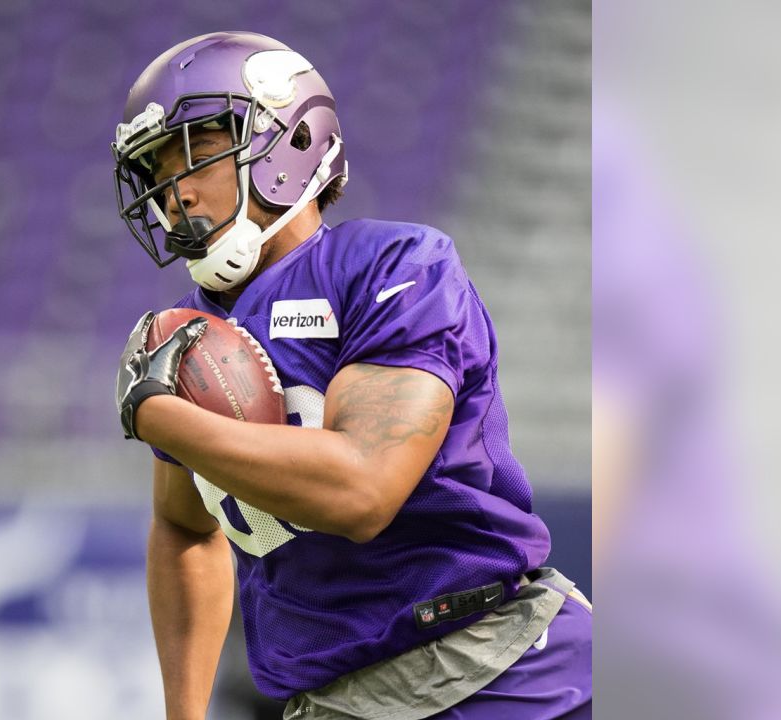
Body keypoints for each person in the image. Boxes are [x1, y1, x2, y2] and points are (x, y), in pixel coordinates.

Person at [112, 32, 591, 720]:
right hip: (336, 701)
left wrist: (159, 415)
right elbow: (184, 528)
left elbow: (362, 489)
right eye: (157, 165)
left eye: (199, 152)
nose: (175, 189)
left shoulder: (395, 266)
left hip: (501, 673)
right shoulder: (190, 336)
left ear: (288, 142)